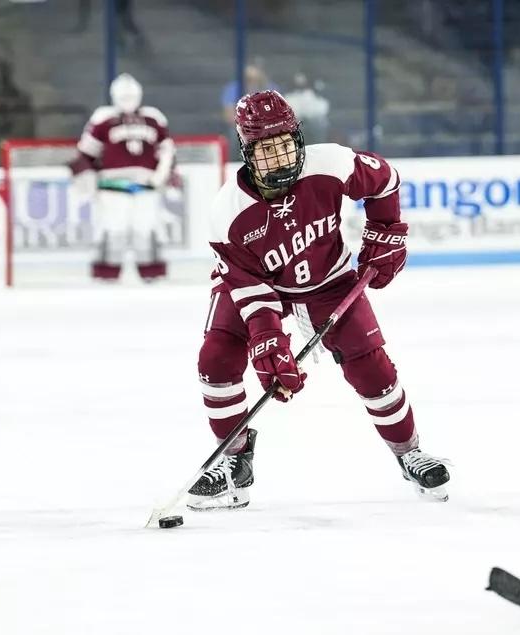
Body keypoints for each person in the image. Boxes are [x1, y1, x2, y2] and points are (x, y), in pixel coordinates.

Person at [188, 90, 450, 511]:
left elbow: (385, 180)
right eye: (265, 150)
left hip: (327, 279)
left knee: (372, 366)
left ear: (298, 137)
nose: (279, 159)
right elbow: (252, 292)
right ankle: (234, 465)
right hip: (260, 284)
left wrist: (387, 231)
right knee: (216, 358)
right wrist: (268, 342)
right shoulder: (227, 213)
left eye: (284, 145)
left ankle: (410, 453)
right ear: (247, 153)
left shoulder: (331, 163)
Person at [67, 73, 176, 282]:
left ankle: (151, 272)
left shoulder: (154, 117)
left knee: (146, 229)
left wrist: (164, 175)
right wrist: (85, 181)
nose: (128, 100)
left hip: (146, 185)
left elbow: (167, 150)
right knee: (112, 229)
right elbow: (86, 153)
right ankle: (106, 272)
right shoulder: (103, 118)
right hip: (112, 186)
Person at [221, 61, 278, 156]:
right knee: (234, 134)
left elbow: (278, 112)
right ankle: (236, 159)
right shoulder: (232, 89)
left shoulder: (270, 88)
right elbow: (229, 116)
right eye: (249, 79)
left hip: (266, 125)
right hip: (243, 126)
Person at [283, 72, 330, 145]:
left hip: (314, 127)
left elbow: (322, 109)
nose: (300, 83)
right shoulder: (289, 97)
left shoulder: (313, 96)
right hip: (296, 127)